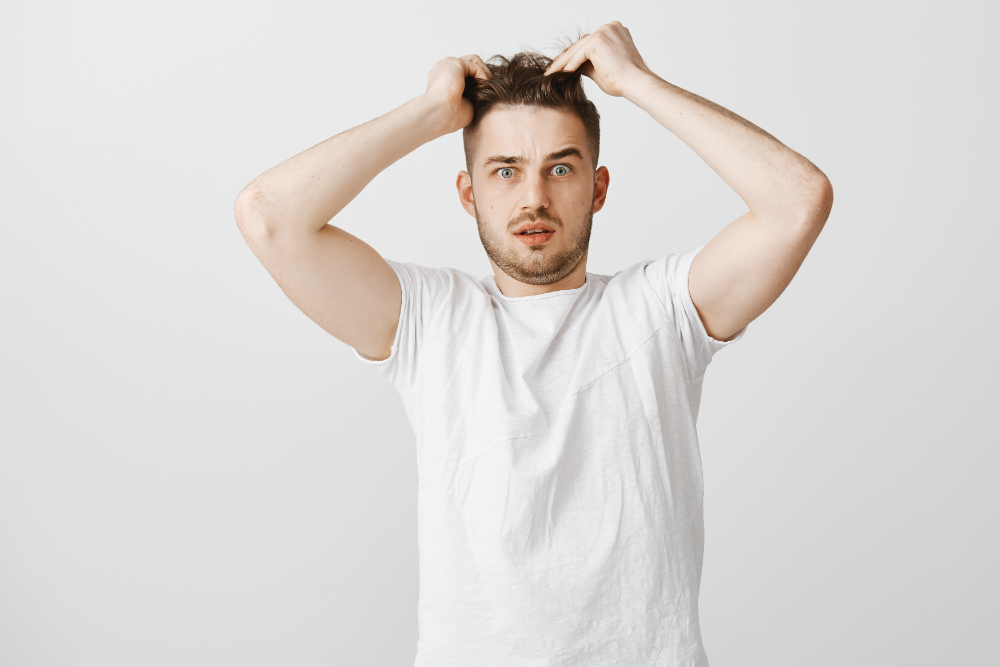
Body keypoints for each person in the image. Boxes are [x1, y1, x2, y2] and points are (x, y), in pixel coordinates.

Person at [234, 21, 833, 667]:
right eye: (505, 171)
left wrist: (638, 82)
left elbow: (798, 200)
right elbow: (268, 215)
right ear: (469, 194)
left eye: (560, 167)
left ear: (597, 189)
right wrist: (429, 112)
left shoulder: (659, 310)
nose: (534, 198)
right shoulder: (430, 321)